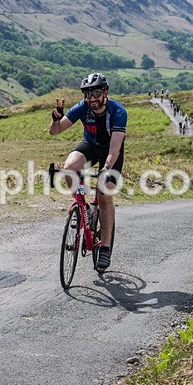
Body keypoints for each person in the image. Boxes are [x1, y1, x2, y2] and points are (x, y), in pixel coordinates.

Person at [49, 72, 127, 270]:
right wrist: (55, 119)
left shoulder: (118, 111)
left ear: (105, 92)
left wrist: (106, 168)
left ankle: (105, 249)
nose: (91, 99)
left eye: (96, 93)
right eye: (88, 94)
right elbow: (55, 131)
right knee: (68, 169)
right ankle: (81, 207)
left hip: (111, 151)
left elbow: (115, 148)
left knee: (105, 192)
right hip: (91, 146)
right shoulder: (83, 108)